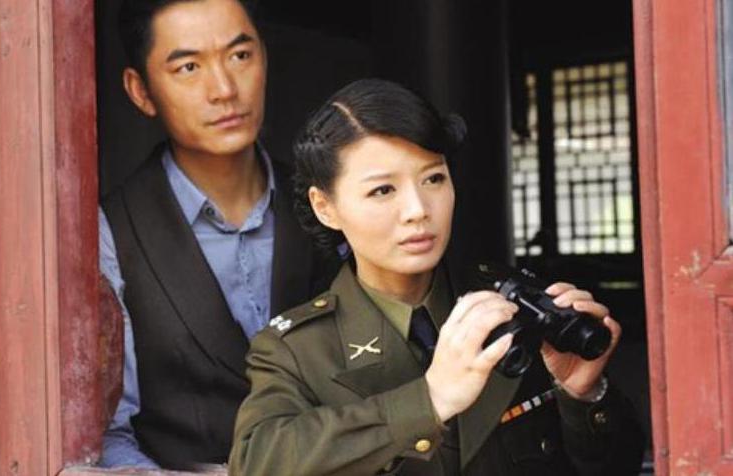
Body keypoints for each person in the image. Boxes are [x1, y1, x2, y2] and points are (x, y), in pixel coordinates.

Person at [229, 79, 644, 475]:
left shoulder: (517, 306)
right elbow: (257, 462)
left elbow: (621, 466)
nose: (417, 210)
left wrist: (583, 395)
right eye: (383, 190)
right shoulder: (296, 351)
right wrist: (428, 400)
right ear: (325, 207)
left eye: (433, 179)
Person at [98, 0, 337, 469]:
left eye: (240, 56)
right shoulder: (113, 230)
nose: (225, 90)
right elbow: (109, 436)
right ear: (141, 91)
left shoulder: (329, 205)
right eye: (189, 67)